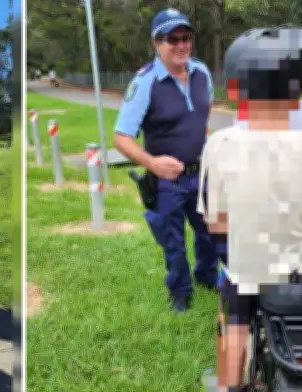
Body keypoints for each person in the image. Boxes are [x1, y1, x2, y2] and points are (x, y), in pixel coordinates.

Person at [197, 26, 302, 392]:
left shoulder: (220, 145)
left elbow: (216, 222)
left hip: (248, 268)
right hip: (301, 273)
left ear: (239, 87)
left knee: (232, 324)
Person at [113, 8, 218, 313]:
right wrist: (153, 164)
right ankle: (181, 292)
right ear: (156, 43)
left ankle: (206, 277)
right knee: (172, 242)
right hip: (167, 181)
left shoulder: (202, 72)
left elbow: (204, 113)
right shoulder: (145, 82)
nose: (180, 45)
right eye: (172, 39)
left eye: (185, 37)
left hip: (202, 174)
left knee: (209, 232)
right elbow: (121, 138)